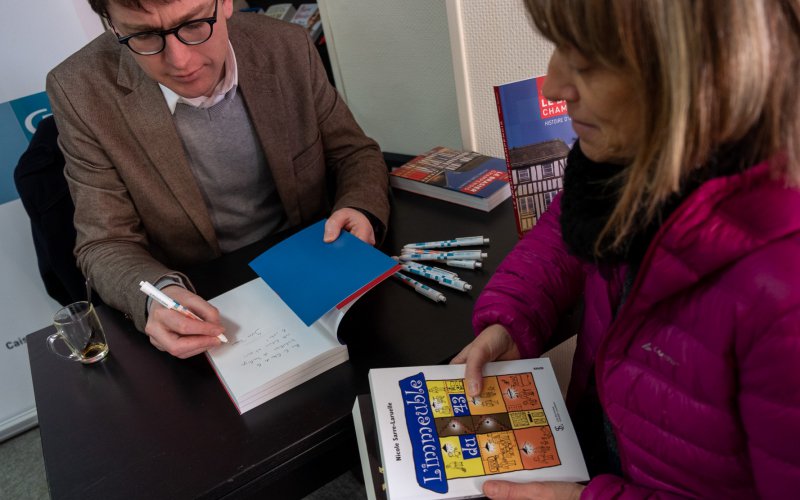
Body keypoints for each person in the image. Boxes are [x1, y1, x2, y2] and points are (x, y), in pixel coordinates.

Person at [452, 0, 800, 498]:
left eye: (588, 61)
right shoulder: (629, 157)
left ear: (700, 72)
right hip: (600, 449)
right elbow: (566, 232)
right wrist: (513, 315)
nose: (552, 87)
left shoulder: (786, 296)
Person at [46, 0, 390, 359]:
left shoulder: (286, 45)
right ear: (113, 26)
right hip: (203, 297)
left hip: (319, 268)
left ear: (225, 3)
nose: (180, 61)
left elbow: (353, 153)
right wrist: (157, 297)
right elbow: (104, 242)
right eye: (144, 35)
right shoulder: (79, 90)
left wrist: (359, 207)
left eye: (194, 24)